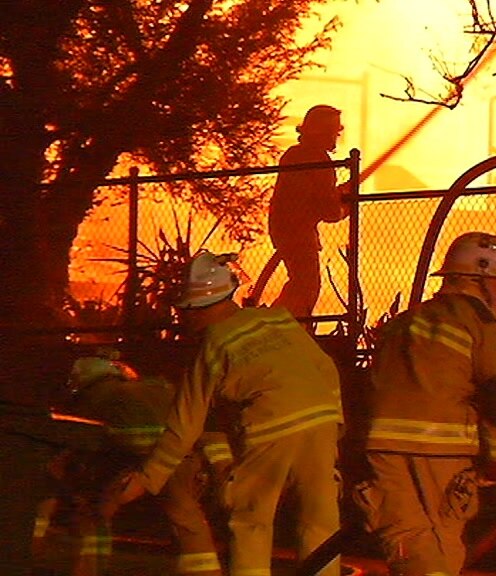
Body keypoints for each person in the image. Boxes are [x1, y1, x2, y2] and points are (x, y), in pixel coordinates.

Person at [110, 251, 345, 576]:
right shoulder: (279, 320)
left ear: (195, 308)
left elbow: (185, 423)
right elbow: (326, 368)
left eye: (185, 311)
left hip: (268, 427)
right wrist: (335, 427)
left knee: (251, 521)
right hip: (321, 421)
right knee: (320, 521)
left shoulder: (214, 344)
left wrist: (146, 480)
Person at [353, 232, 496, 576]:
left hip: (384, 451)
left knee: (405, 542)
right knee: (442, 547)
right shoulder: (479, 323)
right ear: (476, 277)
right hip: (442, 454)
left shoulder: (404, 321)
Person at [34, 353, 225, 576]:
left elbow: (84, 443)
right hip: (175, 458)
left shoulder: (94, 396)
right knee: (185, 517)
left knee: (95, 512)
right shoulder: (158, 390)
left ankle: (89, 569)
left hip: (127, 460)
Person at [269, 104, 352, 320]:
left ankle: (278, 321)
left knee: (300, 284)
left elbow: (311, 197)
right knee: (306, 287)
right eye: (333, 131)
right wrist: (347, 205)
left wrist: (339, 193)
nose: (336, 137)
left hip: (283, 228)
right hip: (298, 232)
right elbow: (329, 211)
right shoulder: (319, 160)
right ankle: (280, 324)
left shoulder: (294, 155)